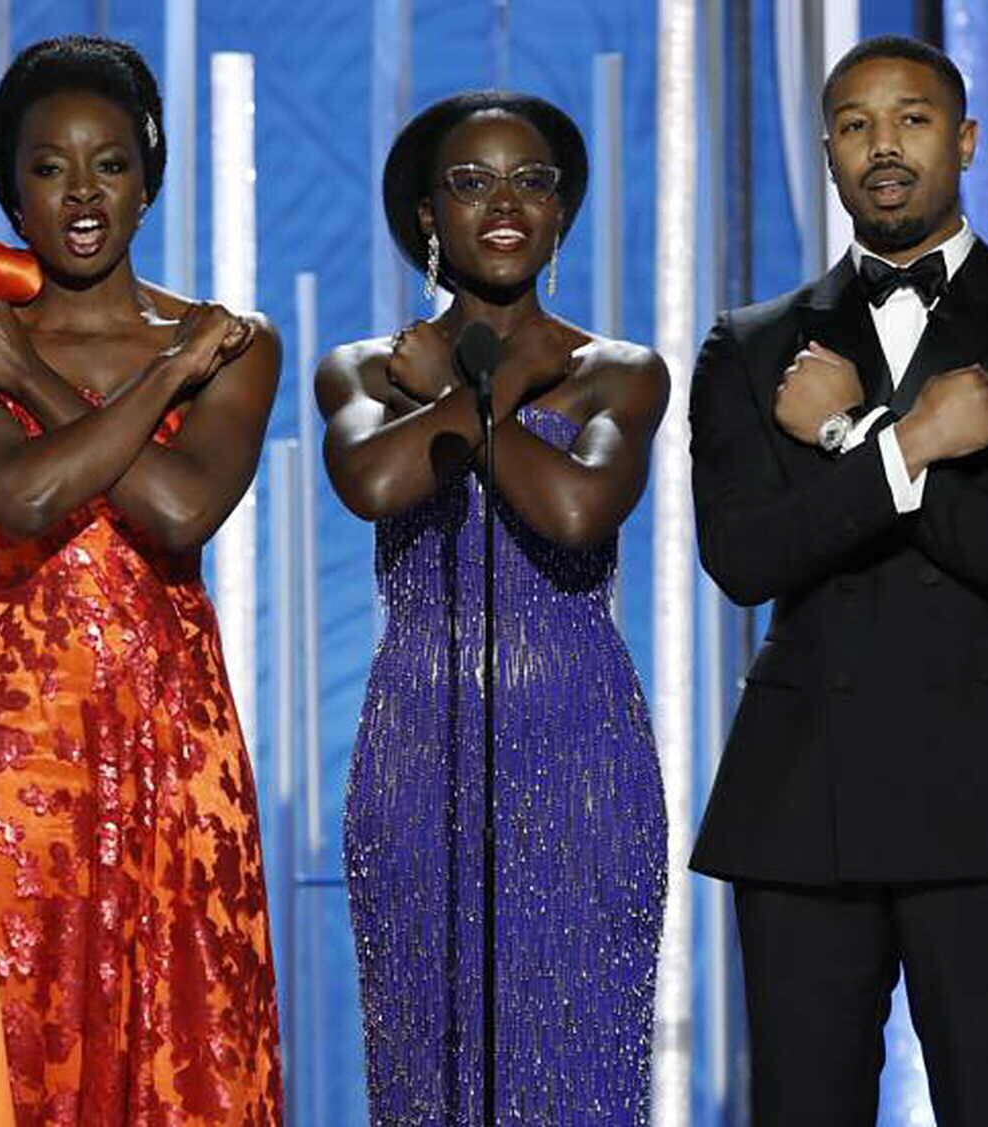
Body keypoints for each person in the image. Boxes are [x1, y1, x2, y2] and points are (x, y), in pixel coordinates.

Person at [0, 35, 284, 1125]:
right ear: (8, 187)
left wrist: (46, 379)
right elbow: (22, 496)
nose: (82, 193)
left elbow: (182, 509)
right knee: (29, 1028)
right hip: (21, 742)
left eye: (111, 163)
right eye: (49, 167)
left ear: (149, 173)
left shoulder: (226, 343)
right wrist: (143, 386)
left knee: (195, 1033)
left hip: (182, 741)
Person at [689, 34, 988, 1124]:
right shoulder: (749, 345)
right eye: (852, 125)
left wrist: (845, 432)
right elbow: (743, 559)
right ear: (829, 153)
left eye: (912, 118)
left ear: (965, 139)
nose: (881, 146)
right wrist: (901, 446)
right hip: (801, 802)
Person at [316, 91, 669, 1124]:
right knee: (426, 1063)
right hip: (415, 749)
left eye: (531, 181)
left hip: (579, 751)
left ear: (560, 213)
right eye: (469, 183)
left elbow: (572, 510)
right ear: (428, 215)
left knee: (577, 1067)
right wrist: (476, 394)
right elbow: (376, 484)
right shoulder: (363, 366)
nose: (502, 202)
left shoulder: (618, 370)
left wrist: (468, 397)